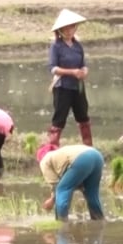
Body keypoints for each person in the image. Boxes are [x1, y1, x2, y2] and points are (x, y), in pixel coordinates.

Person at [47, 9, 93, 148]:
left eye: (72, 27)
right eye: (66, 28)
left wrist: (84, 71)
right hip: (62, 87)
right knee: (59, 119)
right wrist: (72, 72)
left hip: (77, 87)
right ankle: (53, 148)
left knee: (83, 116)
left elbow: (83, 65)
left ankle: (88, 147)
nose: (69, 30)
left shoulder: (78, 46)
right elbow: (53, 68)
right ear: (60, 30)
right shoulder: (56, 46)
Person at [36, 143, 104, 222]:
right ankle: (99, 221)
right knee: (91, 194)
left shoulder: (44, 160)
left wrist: (52, 200)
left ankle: (61, 222)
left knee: (61, 190)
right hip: (97, 156)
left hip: (82, 159)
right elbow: (74, 181)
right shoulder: (59, 155)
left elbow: (56, 186)